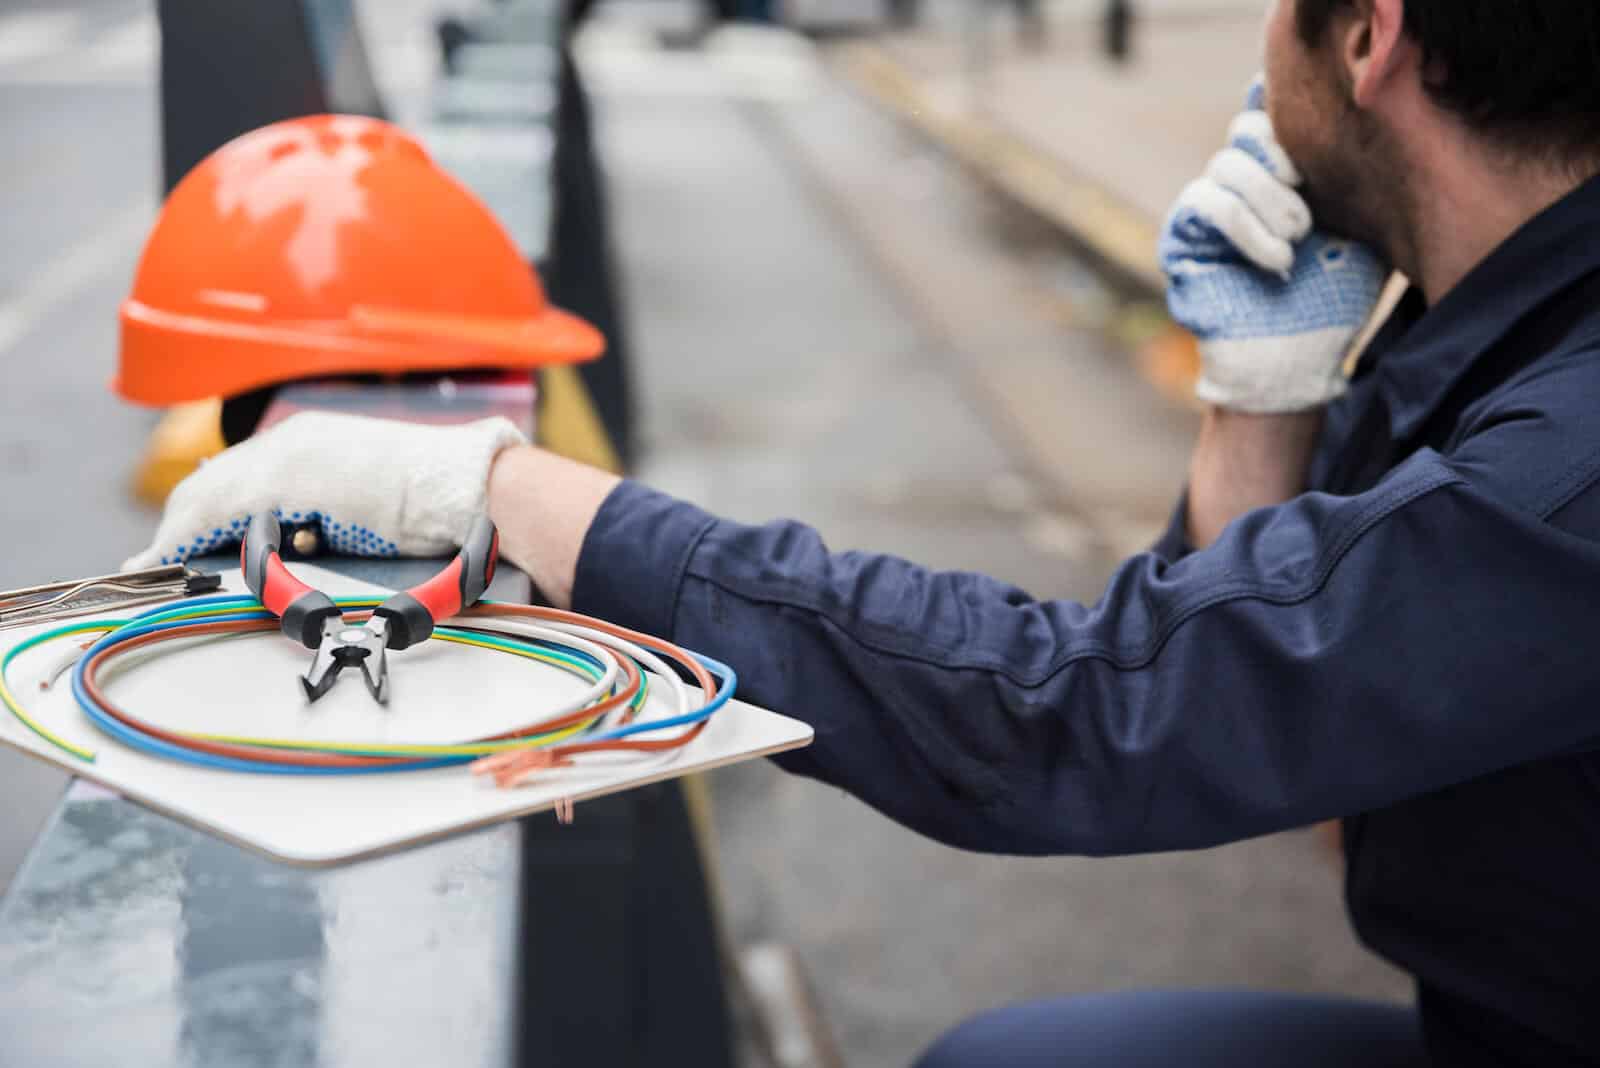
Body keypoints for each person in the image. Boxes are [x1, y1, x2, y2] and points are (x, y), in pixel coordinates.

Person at [126, 0, 1600, 1063]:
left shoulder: (1563, 464)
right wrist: (1263, 398)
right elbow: (1265, 702)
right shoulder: (1513, 340)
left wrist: (502, 492)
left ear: (1369, 37)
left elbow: (1090, 713)